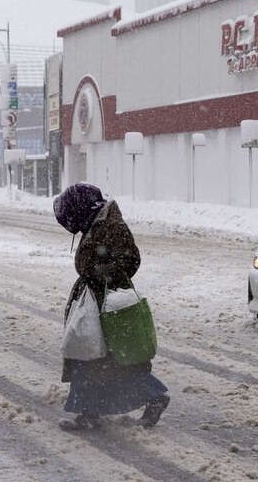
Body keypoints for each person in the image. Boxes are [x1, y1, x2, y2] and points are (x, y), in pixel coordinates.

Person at [54, 183, 169, 431]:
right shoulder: (98, 223)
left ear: (82, 209)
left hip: (107, 305)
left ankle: (152, 396)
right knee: (95, 359)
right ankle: (91, 412)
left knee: (101, 360)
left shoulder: (109, 225)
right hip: (97, 302)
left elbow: (131, 259)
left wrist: (101, 274)